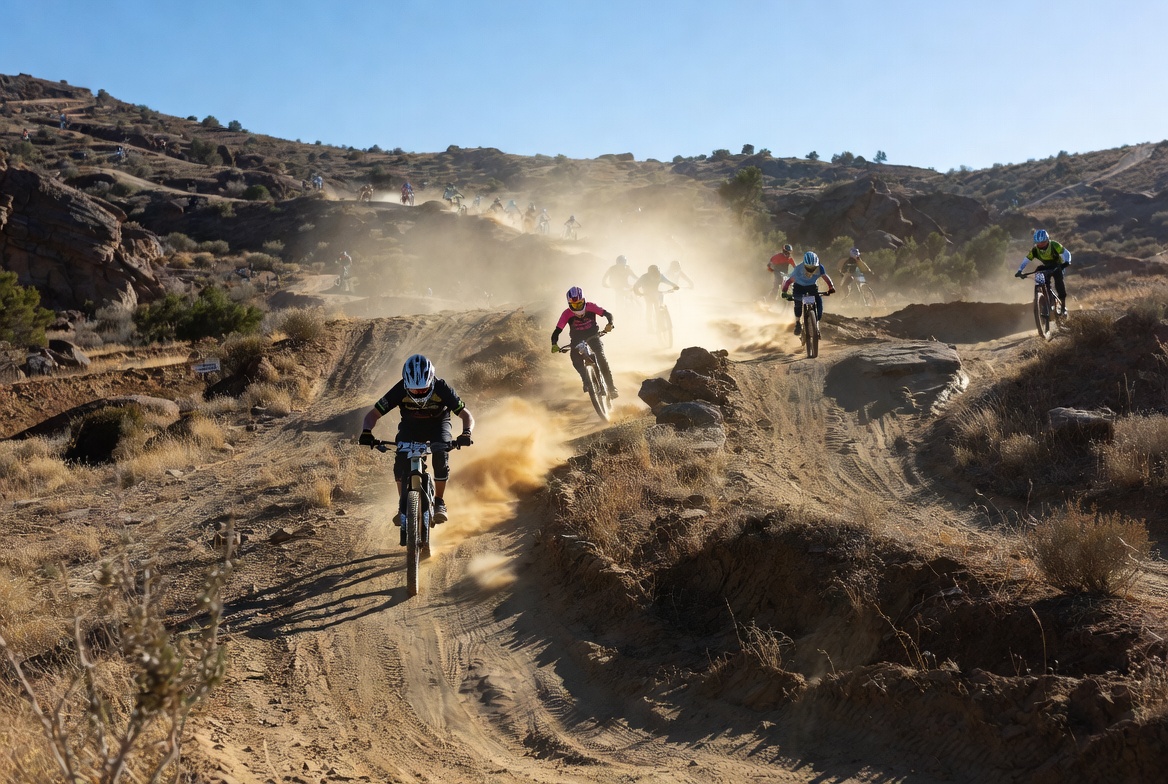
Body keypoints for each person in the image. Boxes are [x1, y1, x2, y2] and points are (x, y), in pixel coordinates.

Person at [358, 354, 475, 535]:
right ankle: (402, 506)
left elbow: (466, 415)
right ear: (406, 384)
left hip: (438, 425)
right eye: (414, 390)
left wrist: (466, 433)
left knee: (440, 456)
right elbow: (373, 414)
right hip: (410, 427)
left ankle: (439, 502)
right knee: (400, 463)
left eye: (423, 389)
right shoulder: (399, 390)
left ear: (431, 381)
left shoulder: (442, 388)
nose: (419, 393)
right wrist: (366, 432)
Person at [551, 287, 618, 398]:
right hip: (576, 340)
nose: (577, 307)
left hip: (593, 336)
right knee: (575, 359)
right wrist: (554, 344)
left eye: (580, 303)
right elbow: (557, 331)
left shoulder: (591, 307)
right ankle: (585, 380)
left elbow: (608, 314)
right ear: (569, 304)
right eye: (574, 305)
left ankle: (612, 388)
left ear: (584, 300)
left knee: (601, 358)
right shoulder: (566, 314)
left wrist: (610, 323)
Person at [1016, 229, 1072, 314]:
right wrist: (1020, 270)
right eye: (1038, 243)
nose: (1040, 244)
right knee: (1040, 274)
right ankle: (1047, 300)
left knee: (1059, 283)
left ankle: (1063, 307)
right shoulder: (1035, 250)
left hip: (1058, 266)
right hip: (1046, 266)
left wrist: (1067, 262)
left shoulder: (1054, 244)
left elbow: (1066, 253)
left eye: (1043, 242)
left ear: (1047, 240)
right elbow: (1026, 260)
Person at [781, 251, 835, 336]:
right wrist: (784, 292)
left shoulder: (820, 268)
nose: (811, 269)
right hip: (799, 286)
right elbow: (788, 282)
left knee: (819, 301)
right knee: (798, 303)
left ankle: (816, 325)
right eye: (808, 267)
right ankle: (798, 323)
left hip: (811, 286)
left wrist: (831, 287)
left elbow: (825, 276)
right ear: (804, 264)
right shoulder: (798, 269)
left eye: (813, 267)